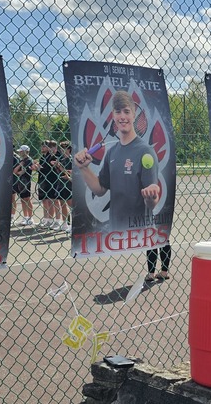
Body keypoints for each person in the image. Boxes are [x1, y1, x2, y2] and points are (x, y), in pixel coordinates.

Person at [74, 90, 165, 280]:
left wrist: (152, 197)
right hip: (116, 232)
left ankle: (157, 270)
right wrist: (84, 168)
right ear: (113, 116)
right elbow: (100, 189)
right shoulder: (112, 152)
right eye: (118, 112)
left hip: (138, 230)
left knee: (157, 242)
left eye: (126, 111)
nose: (122, 116)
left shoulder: (145, 151)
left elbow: (151, 203)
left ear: (134, 115)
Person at [35, 140, 61, 229]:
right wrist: (38, 168)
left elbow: (51, 169)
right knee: (49, 200)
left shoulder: (57, 156)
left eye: (51, 147)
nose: (49, 149)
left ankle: (58, 220)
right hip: (46, 180)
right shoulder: (45, 157)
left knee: (55, 201)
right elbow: (45, 168)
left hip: (54, 180)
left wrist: (41, 168)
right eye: (48, 147)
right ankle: (49, 220)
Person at [52, 141, 73, 233]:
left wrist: (59, 166)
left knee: (71, 205)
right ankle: (64, 224)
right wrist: (56, 166)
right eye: (61, 149)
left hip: (68, 184)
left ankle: (73, 224)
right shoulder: (62, 159)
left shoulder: (71, 160)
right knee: (62, 204)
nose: (62, 150)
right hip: (61, 183)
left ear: (69, 149)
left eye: (64, 148)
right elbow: (60, 172)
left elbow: (69, 172)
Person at [11, 145, 34, 226]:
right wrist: (20, 165)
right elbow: (15, 171)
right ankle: (25, 217)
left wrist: (19, 170)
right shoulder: (22, 160)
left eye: (21, 151)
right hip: (20, 182)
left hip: (26, 181)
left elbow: (22, 172)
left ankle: (30, 218)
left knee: (27, 199)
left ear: (26, 151)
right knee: (22, 200)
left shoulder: (28, 160)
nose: (20, 153)